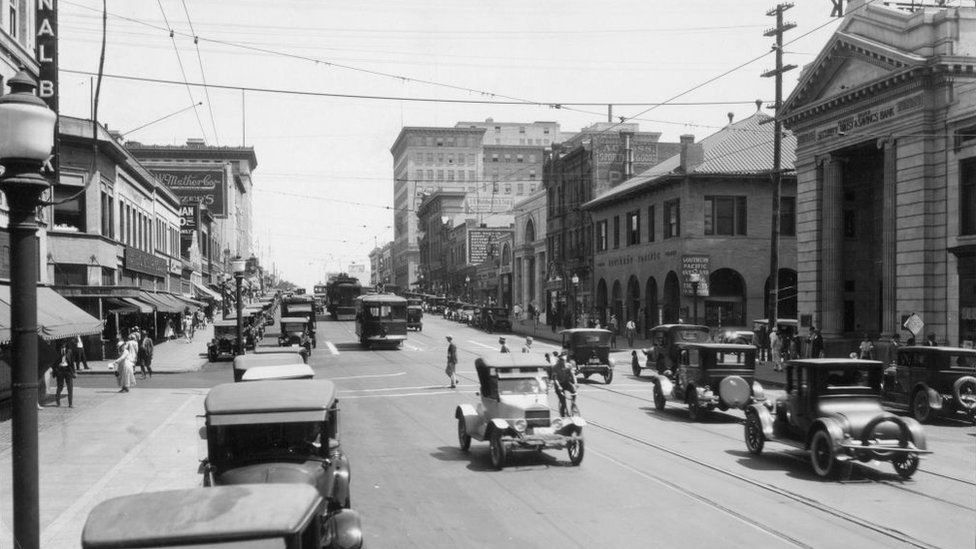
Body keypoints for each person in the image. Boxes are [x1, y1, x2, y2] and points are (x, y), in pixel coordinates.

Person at [552, 352, 578, 416]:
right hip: (559, 385)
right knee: (563, 402)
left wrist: (575, 383)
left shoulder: (568, 366)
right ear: (559, 360)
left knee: (574, 391)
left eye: (564, 361)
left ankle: (573, 405)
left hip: (566, 382)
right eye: (562, 360)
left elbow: (573, 375)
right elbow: (555, 379)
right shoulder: (555, 367)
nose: (563, 362)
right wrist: (559, 386)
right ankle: (563, 415)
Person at [52, 341, 76, 407]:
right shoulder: (56, 351)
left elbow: (72, 362)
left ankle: (70, 403)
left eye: (65, 343)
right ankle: (58, 401)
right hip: (60, 370)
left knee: (70, 387)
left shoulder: (69, 351)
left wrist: (74, 372)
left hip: (68, 370)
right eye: (62, 343)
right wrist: (56, 369)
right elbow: (53, 362)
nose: (63, 344)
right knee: (60, 386)